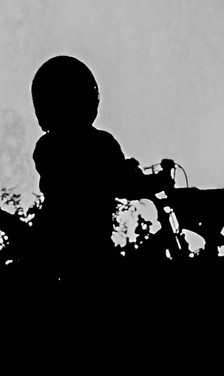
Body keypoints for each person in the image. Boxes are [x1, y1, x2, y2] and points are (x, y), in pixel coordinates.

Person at [30, 55, 149, 278]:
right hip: (91, 246)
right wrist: (152, 181)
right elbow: (123, 184)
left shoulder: (46, 146)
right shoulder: (101, 143)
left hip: (49, 240)